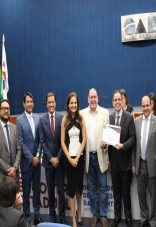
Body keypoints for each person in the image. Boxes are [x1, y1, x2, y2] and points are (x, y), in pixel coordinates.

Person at [132, 96, 156, 227]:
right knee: (141, 196)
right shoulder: (136, 122)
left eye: (147, 106)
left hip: (153, 166)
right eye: (143, 106)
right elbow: (134, 146)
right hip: (140, 165)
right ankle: (144, 219)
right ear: (141, 107)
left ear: (151, 106)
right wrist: (133, 164)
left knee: (152, 198)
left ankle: (152, 222)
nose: (145, 108)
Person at [81, 88, 109, 227]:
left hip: (101, 157)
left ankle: (103, 216)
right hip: (88, 159)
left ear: (98, 98)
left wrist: (106, 144)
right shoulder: (82, 114)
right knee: (91, 190)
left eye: (95, 97)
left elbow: (109, 136)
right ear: (88, 99)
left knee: (103, 189)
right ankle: (94, 215)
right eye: (90, 97)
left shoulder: (105, 113)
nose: (93, 99)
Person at [108, 90, 136, 227]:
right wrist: (104, 144)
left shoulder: (129, 117)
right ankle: (117, 216)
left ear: (122, 101)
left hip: (125, 163)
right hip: (114, 163)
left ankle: (129, 217)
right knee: (116, 193)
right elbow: (108, 141)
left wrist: (123, 146)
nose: (118, 102)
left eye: (119, 99)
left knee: (126, 193)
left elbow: (133, 138)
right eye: (115, 100)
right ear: (112, 103)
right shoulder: (110, 118)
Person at [16, 92, 43, 225]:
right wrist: (31, 158)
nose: (30, 104)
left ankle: (37, 216)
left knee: (37, 192)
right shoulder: (19, 120)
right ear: (23, 104)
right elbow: (21, 143)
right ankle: (27, 219)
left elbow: (40, 140)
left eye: (31, 101)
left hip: (37, 163)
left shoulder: (38, 118)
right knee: (26, 195)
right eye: (27, 101)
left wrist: (37, 156)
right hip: (27, 164)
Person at [39, 92, 65, 223]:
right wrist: (51, 159)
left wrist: (58, 158)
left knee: (61, 191)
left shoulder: (62, 118)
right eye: (48, 102)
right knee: (50, 192)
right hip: (49, 163)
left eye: (52, 102)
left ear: (55, 102)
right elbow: (42, 142)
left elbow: (63, 140)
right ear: (46, 103)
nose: (51, 104)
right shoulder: (42, 120)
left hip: (60, 162)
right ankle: (52, 219)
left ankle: (62, 218)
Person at [61, 92, 86, 227]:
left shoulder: (81, 118)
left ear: (77, 104)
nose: (73, 105)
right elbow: (62, 142)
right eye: (71, 103)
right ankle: (74, 220)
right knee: (71, 189)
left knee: (78, 189)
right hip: (69, 160)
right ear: (68, 104)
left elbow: (84, 139)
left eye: (75, 102)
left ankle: (80, 214)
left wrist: (77, 157)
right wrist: (70, 159)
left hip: (79, 159)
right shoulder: (65, 120)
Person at [0, 99, 21, 204]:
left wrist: (15, 168)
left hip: (14, 178)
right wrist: (10, 170)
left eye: (7, 108)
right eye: (3, 108)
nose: (6, 111)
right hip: (0, 179)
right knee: (0, 212)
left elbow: (19, 149)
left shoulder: (14, 128)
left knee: (15, 210)